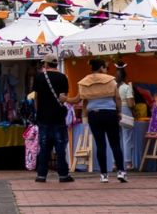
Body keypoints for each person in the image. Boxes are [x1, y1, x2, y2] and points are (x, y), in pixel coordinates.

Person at [77, 59, 128, 183]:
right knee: (115, 144)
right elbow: (117, 98)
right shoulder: (110, 80)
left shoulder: (84, 82)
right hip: (110, 113)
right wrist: (119, 112)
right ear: (100, 68)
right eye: (105, 67)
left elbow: (82, 100)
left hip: (94, 115)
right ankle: (121, 171)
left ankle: (104, 174)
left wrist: (66, 99)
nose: (106, 70)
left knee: (100, 145)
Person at [30, 55, 76, 183]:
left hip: (43, 117)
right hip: (58, 117)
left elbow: (36, 97)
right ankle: (63, 174)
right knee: (60, 146)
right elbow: (63, 97)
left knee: (44, 146)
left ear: (46, 64)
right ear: (56, 64)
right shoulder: (63, 77)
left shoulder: (39, 77)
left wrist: (38, 112)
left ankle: (41, 174)